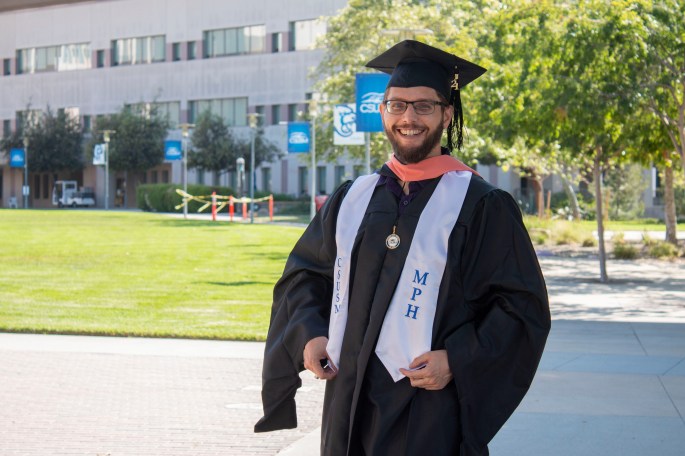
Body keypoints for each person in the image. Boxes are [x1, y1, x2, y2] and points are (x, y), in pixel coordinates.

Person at [255, 40, 551, 456]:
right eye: (396, 105)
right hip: (347, 398)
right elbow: (305, 275)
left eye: (423, 106)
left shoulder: (481, 206)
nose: (408, 117)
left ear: (447, 115)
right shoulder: (352, 198)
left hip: (426, 406)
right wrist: (310, 335)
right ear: (382, 112)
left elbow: (521, 308)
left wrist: (458, 359)